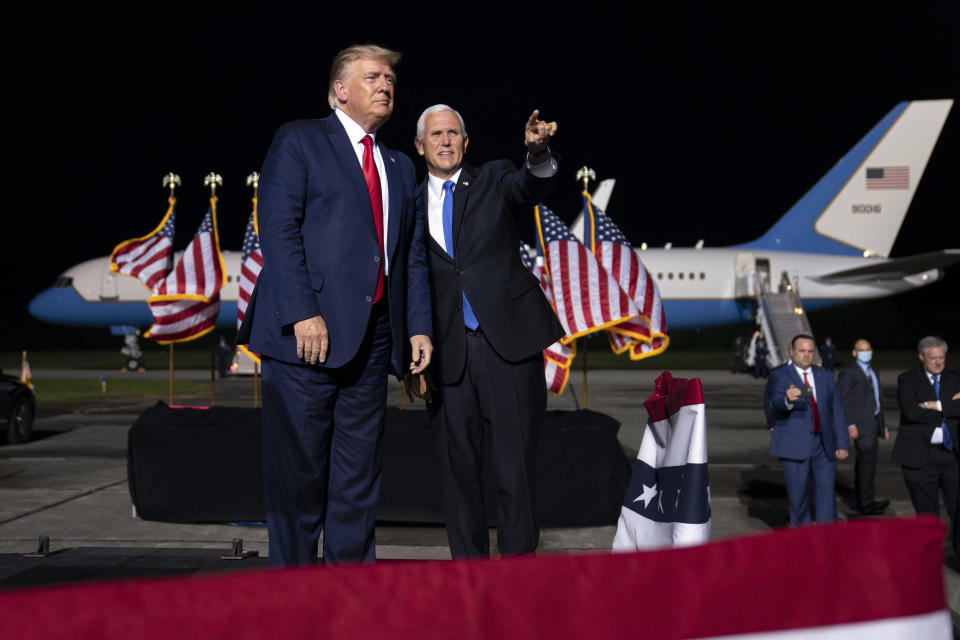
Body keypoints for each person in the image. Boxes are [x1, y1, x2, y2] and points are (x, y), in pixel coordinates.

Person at [237, 44, 433, 566]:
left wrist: (417, 328)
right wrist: (304, 311)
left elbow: (408, 256)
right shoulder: (299, 140)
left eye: (390, 77)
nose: (386, 84)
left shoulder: (396, 165)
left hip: (373, 344)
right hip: (304, 340)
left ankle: (350, 597)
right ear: (340, 90)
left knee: (357, 481)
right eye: (373, 76)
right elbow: (275, 230)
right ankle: (294, 597)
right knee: (298, 478)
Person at [413, 104, 564, 557]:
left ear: (466, 141)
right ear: (420, 145)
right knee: (458, 473)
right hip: (447, 354)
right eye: (436, 134)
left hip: (508, 347)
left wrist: (537, 154)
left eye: (453, 133)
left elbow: (530, 184)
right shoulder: (407, 201)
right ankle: (469, 576)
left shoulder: (494, 178)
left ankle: (518, 577)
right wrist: (411, 354)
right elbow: (409, 281)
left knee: (513, 470)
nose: (445, 141)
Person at [766, 334, 849, 525]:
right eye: (802, 351)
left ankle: (826, 535)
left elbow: (836, 411)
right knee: (798, 496)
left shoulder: (826, 376)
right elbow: (773, 403)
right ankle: (802, 539)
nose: (806, 355)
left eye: (810, 351)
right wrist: (786, 399)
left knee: (826, 494)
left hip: (823, 444)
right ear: (792, 352)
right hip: (793, 444)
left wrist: (842, 443)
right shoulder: (779, 376)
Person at [891, 336, 960, 549]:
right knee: (926, 514)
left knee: (958, 509)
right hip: (921, 457)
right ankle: (929, 557)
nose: (939, 362)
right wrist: (950, 408)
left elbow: (923, 410)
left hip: (952, 456)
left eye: (942, 357)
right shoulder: (907, 379)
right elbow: (911, 413)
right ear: (921, 357)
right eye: (933, 358)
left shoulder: (956, 378)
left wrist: (932, 405)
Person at [836, 339, 889, 515]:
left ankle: (863, 499)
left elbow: (877, 397)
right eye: (861, 350)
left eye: (868, 349)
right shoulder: (848, 372)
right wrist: (850, 424)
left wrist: (882, 425)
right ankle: (866, 503)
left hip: (873, 423)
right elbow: (842, 400)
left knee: (867, 463)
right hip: (860, 425)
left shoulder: (874, 369)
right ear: (854, 353)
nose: (865, 352)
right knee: (866, 464)